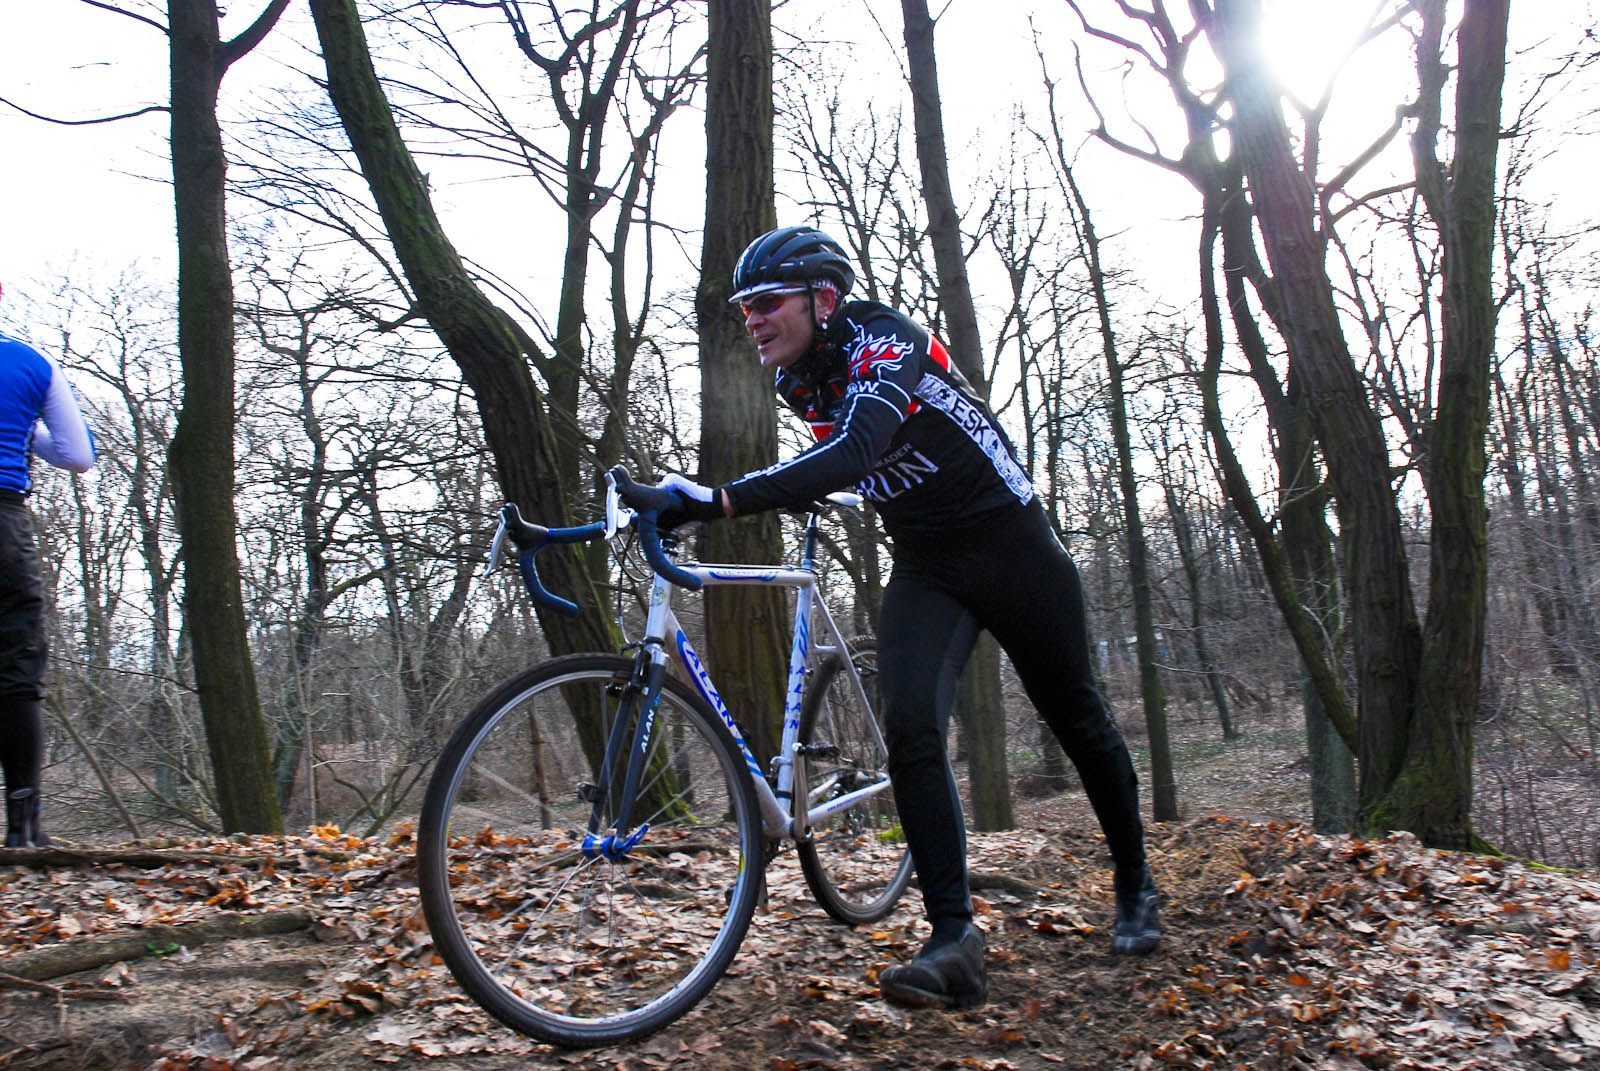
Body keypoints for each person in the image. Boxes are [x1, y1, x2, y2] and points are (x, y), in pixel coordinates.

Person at [628, 226, 1160, 1010]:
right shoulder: (800, 382)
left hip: (1014, 549)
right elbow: (856, 466)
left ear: (824, 299)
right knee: (909, 726)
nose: (754, 320)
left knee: (1078, 719)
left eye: (767, 302)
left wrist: (714, 499)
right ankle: (954, 940)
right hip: (928, 564)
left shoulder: (883, 340)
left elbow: (857, 449)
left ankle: (1135, 880)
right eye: (744, 308)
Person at [0, 281, 97, 848]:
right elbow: (78, 456)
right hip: (4, 526)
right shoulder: (31, 364)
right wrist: (27, 432)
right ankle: (23, 827)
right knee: (16, 676)